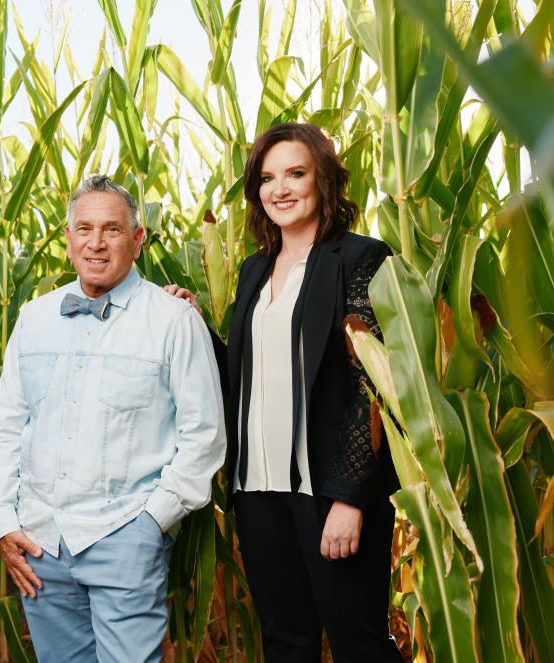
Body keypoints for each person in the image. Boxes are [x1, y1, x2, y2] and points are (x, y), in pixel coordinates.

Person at [0, 175, 226, 663]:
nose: (95, 242)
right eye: (84, 228)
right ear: (67, 238)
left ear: (137, 240)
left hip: (124, 536)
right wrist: (3, 522)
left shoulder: (174, 321)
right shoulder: (34, 317)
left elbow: (204, 437)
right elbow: (6, 427)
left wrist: (150, 525)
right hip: (40, 541)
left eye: (111, 229)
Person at [198, 122, 402, 662]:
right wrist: (196, 327)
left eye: (295, 173)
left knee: (360, 644)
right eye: (267, 178)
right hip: (257, 492)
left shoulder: (360, 258)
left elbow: (374, 384)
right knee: (286, 646)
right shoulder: (253, 271)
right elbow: (243, 378)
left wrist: (349, 498)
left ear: (324, 180)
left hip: (327, 492)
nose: (280, 189)